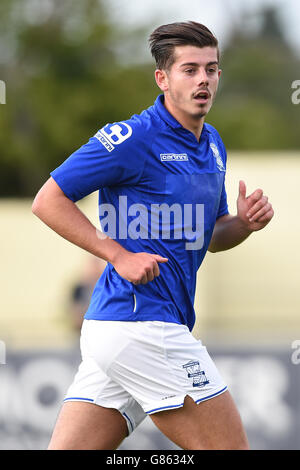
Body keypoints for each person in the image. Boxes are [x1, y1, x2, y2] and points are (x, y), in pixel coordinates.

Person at [32, 21, 274, 450]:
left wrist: (243, 224)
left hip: (123, 330)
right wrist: (117, 254)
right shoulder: (132, 138)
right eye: (190, 69)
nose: (204, 79)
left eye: (212, 68)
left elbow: (211, 236)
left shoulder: (213, 143)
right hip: (141, 326)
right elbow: (48, 200)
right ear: (162, 78)